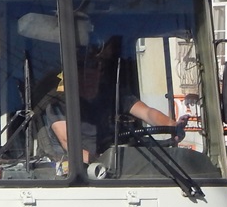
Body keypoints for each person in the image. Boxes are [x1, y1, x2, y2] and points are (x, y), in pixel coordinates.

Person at [39, 45, 186, 165]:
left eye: (95, 70)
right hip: (83, 170)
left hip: (119, 163)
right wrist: (100, 163)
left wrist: (172, 126)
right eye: (84, 74)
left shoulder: (114, 95)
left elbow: (147, 113)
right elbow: (69, 143)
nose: (90, 78)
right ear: (74, 76)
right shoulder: (59, 103)